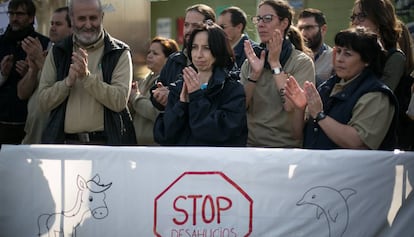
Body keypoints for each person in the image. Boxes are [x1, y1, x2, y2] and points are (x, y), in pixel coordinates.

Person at [38, 0, 135, 145]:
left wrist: (86, 77)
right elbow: (43, 102)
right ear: (71, 19)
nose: (88, 25)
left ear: (101, 17)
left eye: (93, 18)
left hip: (107, 145)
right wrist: (67, 83)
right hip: (66, 144)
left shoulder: (118, 52)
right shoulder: (58, 52)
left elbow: (119, 101)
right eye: (82, 19)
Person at [285, 27, 397, 150]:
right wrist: (299, 109)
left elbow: (357, 142)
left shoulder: (376, 94)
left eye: (347, 54)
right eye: (338, 51)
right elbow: (297, 135)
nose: (339, 59)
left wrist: (320, 115)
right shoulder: (327, 87)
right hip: (318, 167)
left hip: (352, 169)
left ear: (367, 60)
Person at [153, 21, 247, 146]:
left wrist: (196, 96)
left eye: (206, 48)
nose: (199, 55)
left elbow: (215, 131)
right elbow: (164, 136)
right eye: (194, 47)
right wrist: (182, 105)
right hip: (182, 163)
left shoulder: (232, 90)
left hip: (215, 164)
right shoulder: (180, 86)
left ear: (218, 50)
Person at [241, 0, 315, 148]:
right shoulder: (251, 61)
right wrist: (254, 75)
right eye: (258, 19)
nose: (261, 24)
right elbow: (240, 107)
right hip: (251, 147)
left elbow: (290, 107)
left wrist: (275, 64)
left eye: (267, 19)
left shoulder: (301, 62)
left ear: (284, 23)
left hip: (285, 149)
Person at [17, 6, 72, 144]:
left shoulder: (76, 55)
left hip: (54, 138)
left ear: (73, 28)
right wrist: (33, 69)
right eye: (51, 23)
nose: (53, 28)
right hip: (32, 136)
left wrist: (39, 60)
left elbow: (62, 86)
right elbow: (22, 93)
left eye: (58, 24)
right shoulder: (47, 52)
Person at [0, 0, 49, 145]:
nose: (14, 18)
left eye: (20, 14)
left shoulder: (42, 44)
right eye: (11, 14)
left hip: (29, 121)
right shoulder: (1, 42)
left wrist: (31, 72)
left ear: (31, 17)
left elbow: (50, 81)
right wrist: (3, 73)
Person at [151, 4, 216, 111]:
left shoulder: (217, 61)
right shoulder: (174, 60)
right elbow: (157, 91)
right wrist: (159, 95)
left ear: (208, 27)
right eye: (186, 25)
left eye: (195, 26)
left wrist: (172, 96)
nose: (189, 30)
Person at [128, 36, 179, 145]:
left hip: (155, 145)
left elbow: (156, 112)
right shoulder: (144, 81)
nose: (149, 56)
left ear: (168, 59)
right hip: (138, 144)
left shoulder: (169, 83)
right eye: (149, 52)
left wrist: (135, 97)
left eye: (155, 53)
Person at [351, 0, 403, 91]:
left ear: (379, 20)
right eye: (353, 17)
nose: (355, 22)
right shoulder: (353, 53)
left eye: (361, 16)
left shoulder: (395, 58)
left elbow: (380, 95)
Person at [297, 8, 334, 85]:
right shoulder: (293, 56)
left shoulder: (333, 59)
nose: (303, 33)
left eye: (309, 28)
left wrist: (308, 67)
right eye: (300, 28)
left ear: (323, 29)